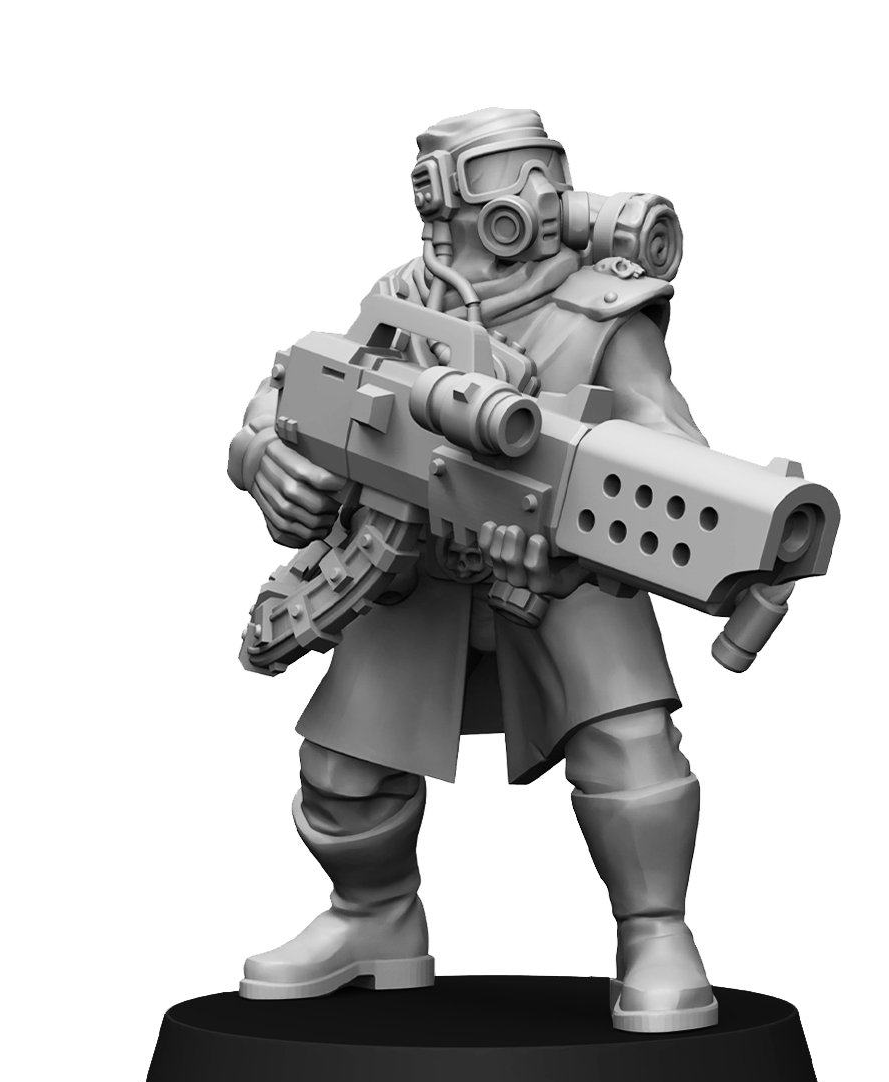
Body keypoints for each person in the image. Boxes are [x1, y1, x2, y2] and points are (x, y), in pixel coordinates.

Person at [227, 108, 717, 1032]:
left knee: (633, 754)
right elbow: (294, 389)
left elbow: (672, 449)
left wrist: (594, 535)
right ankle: (373, 918)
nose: (535, 203)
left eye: (545, 178)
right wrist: (262, 457)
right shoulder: (405, 297)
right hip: (411, 566)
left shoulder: (604, 312)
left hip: (567, 570)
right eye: (507, 183)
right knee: (342, 768)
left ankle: (655, 932)